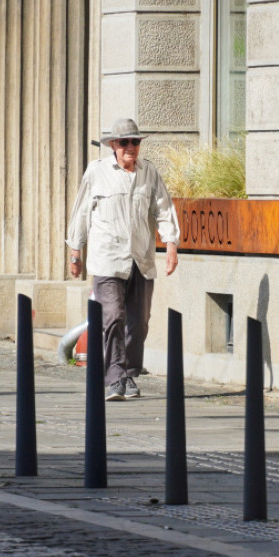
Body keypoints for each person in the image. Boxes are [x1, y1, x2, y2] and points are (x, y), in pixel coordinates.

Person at [67, 118, 180, 401]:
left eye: (135, 142)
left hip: (140, 258)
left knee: (139, 321)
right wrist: (75, 251)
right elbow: (81, 211)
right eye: (125, 142)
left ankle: (129, 375)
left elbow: (163, 208)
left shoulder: (148, 172)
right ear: (113, 146)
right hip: (107, 259)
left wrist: (171, 244)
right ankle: (115, 378)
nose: (131, 147)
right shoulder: (97, 171)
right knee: (114, 316)